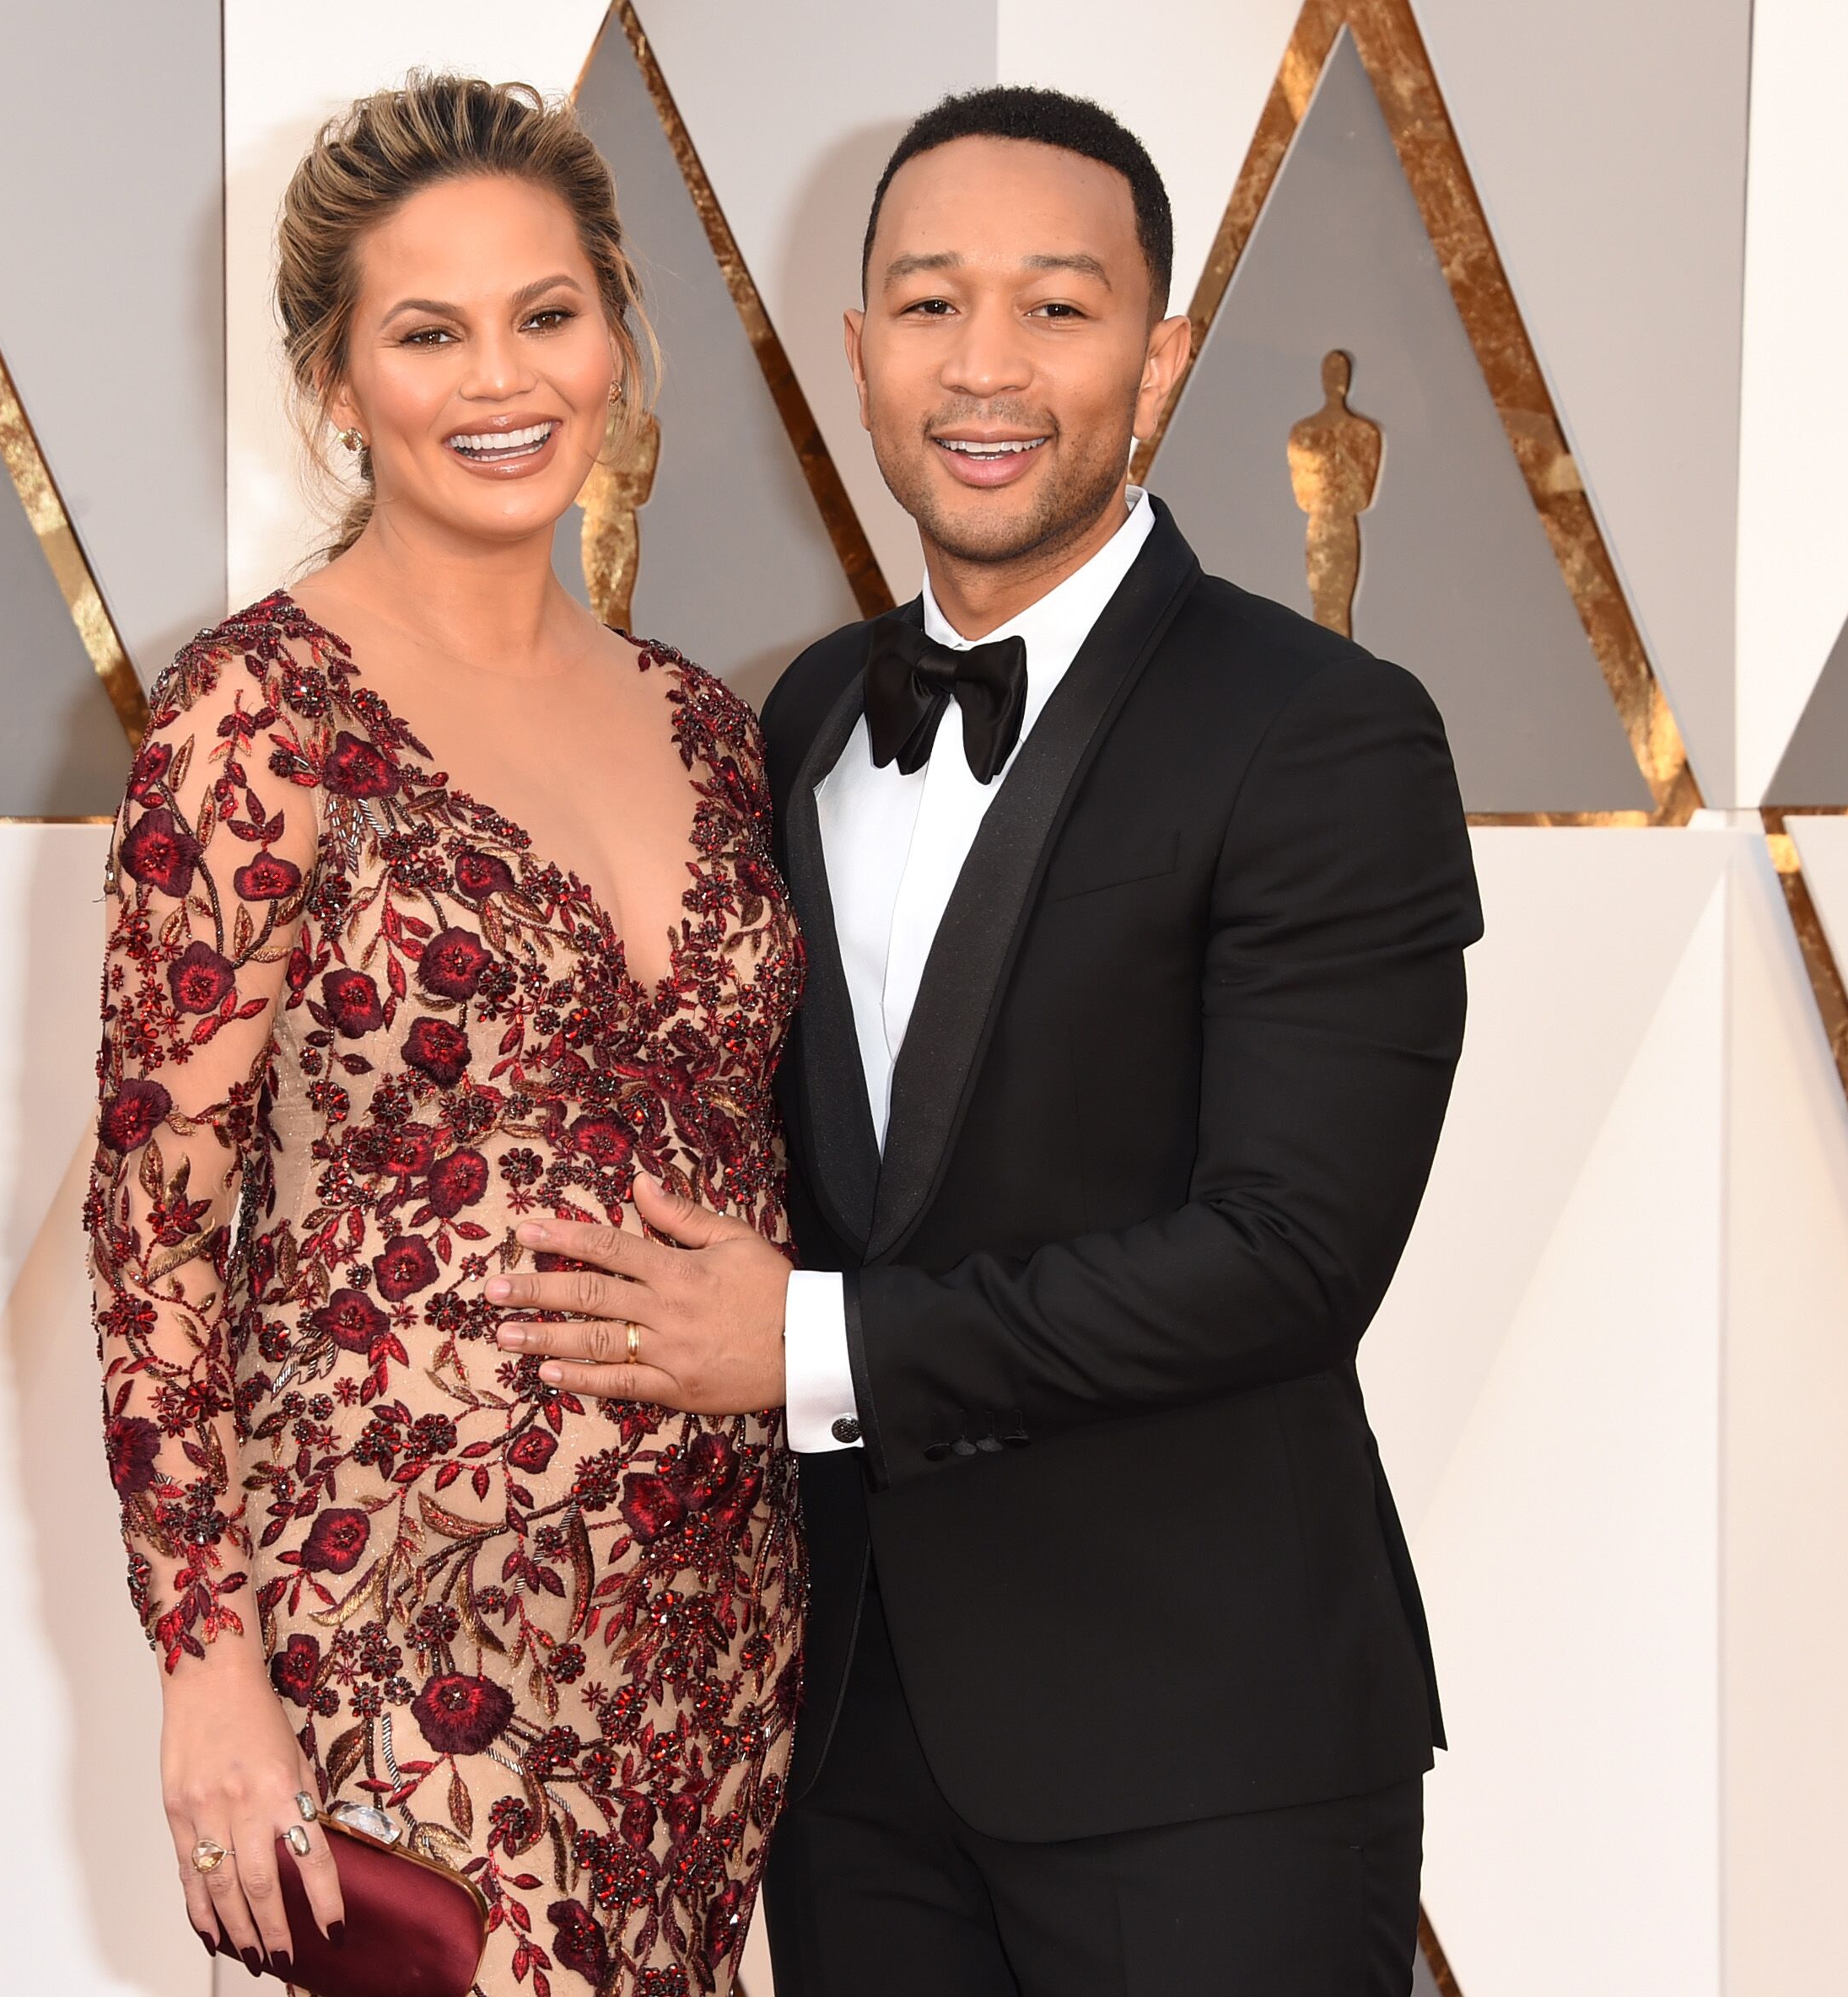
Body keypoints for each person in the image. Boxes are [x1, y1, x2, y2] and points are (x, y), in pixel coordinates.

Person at [488, 87, 1481, 1994]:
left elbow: (1291, 1254)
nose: (987, 367)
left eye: (1060, 306)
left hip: (1209, 1751)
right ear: (858, 356)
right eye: (932, 306)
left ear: (1161, 353)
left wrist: (802, 1340)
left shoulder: (1327, 731)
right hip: (845, 1748)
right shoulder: (791, 730)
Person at [87, 76, 804, 1995]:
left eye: (545, 313)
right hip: (404, 1641)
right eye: (429, 330)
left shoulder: (715, 731)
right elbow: (157, 1219)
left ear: (615, 339)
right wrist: (206, 1663)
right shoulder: (256, 713)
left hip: (707, 1632)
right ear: (338, 381)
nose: (502, 376)